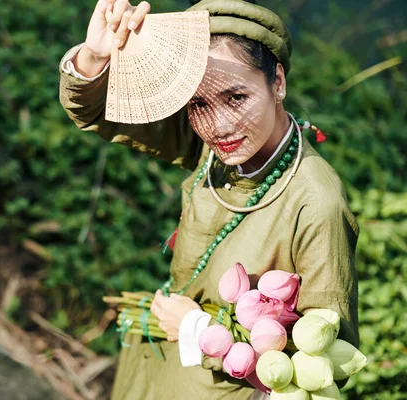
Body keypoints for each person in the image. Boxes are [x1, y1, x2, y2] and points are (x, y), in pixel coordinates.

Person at [59, 0, 359, 398]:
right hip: (155, 367)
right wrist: (96, 55)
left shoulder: (316, 204)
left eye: (237, 97)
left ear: (278, 83)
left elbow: (327, 356)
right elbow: (100, 110)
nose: (218, 126)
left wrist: (197, 330)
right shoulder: (220, 145)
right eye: (197, 103)